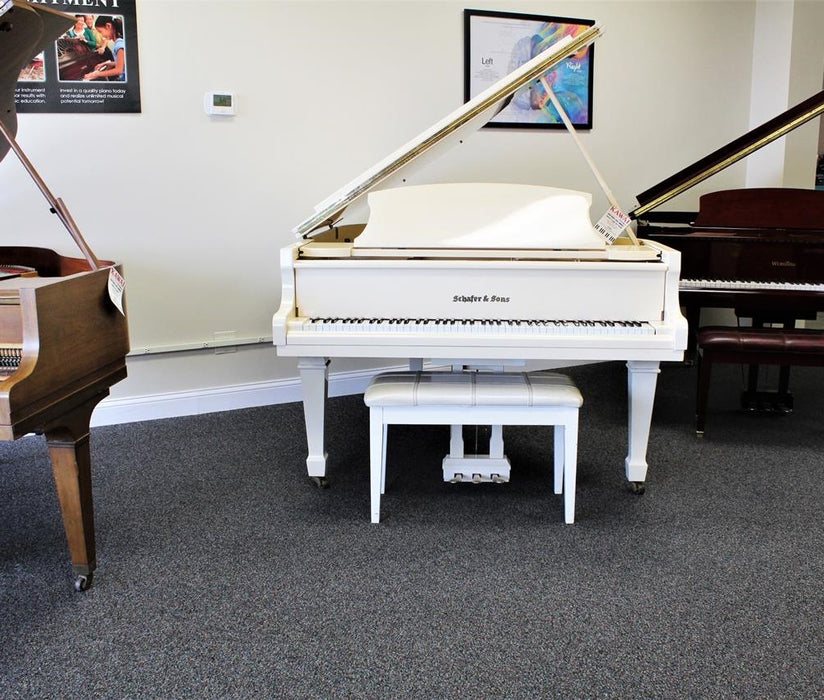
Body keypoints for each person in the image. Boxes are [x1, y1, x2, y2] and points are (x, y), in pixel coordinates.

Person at [83, 16, 126, 81]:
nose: (102, 35)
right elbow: (123, 63)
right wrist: (107, 63)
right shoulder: (120, 41)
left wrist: (96, 74)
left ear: (108, 26)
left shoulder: (119, 44)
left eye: (100, 32)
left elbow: (118, 70)